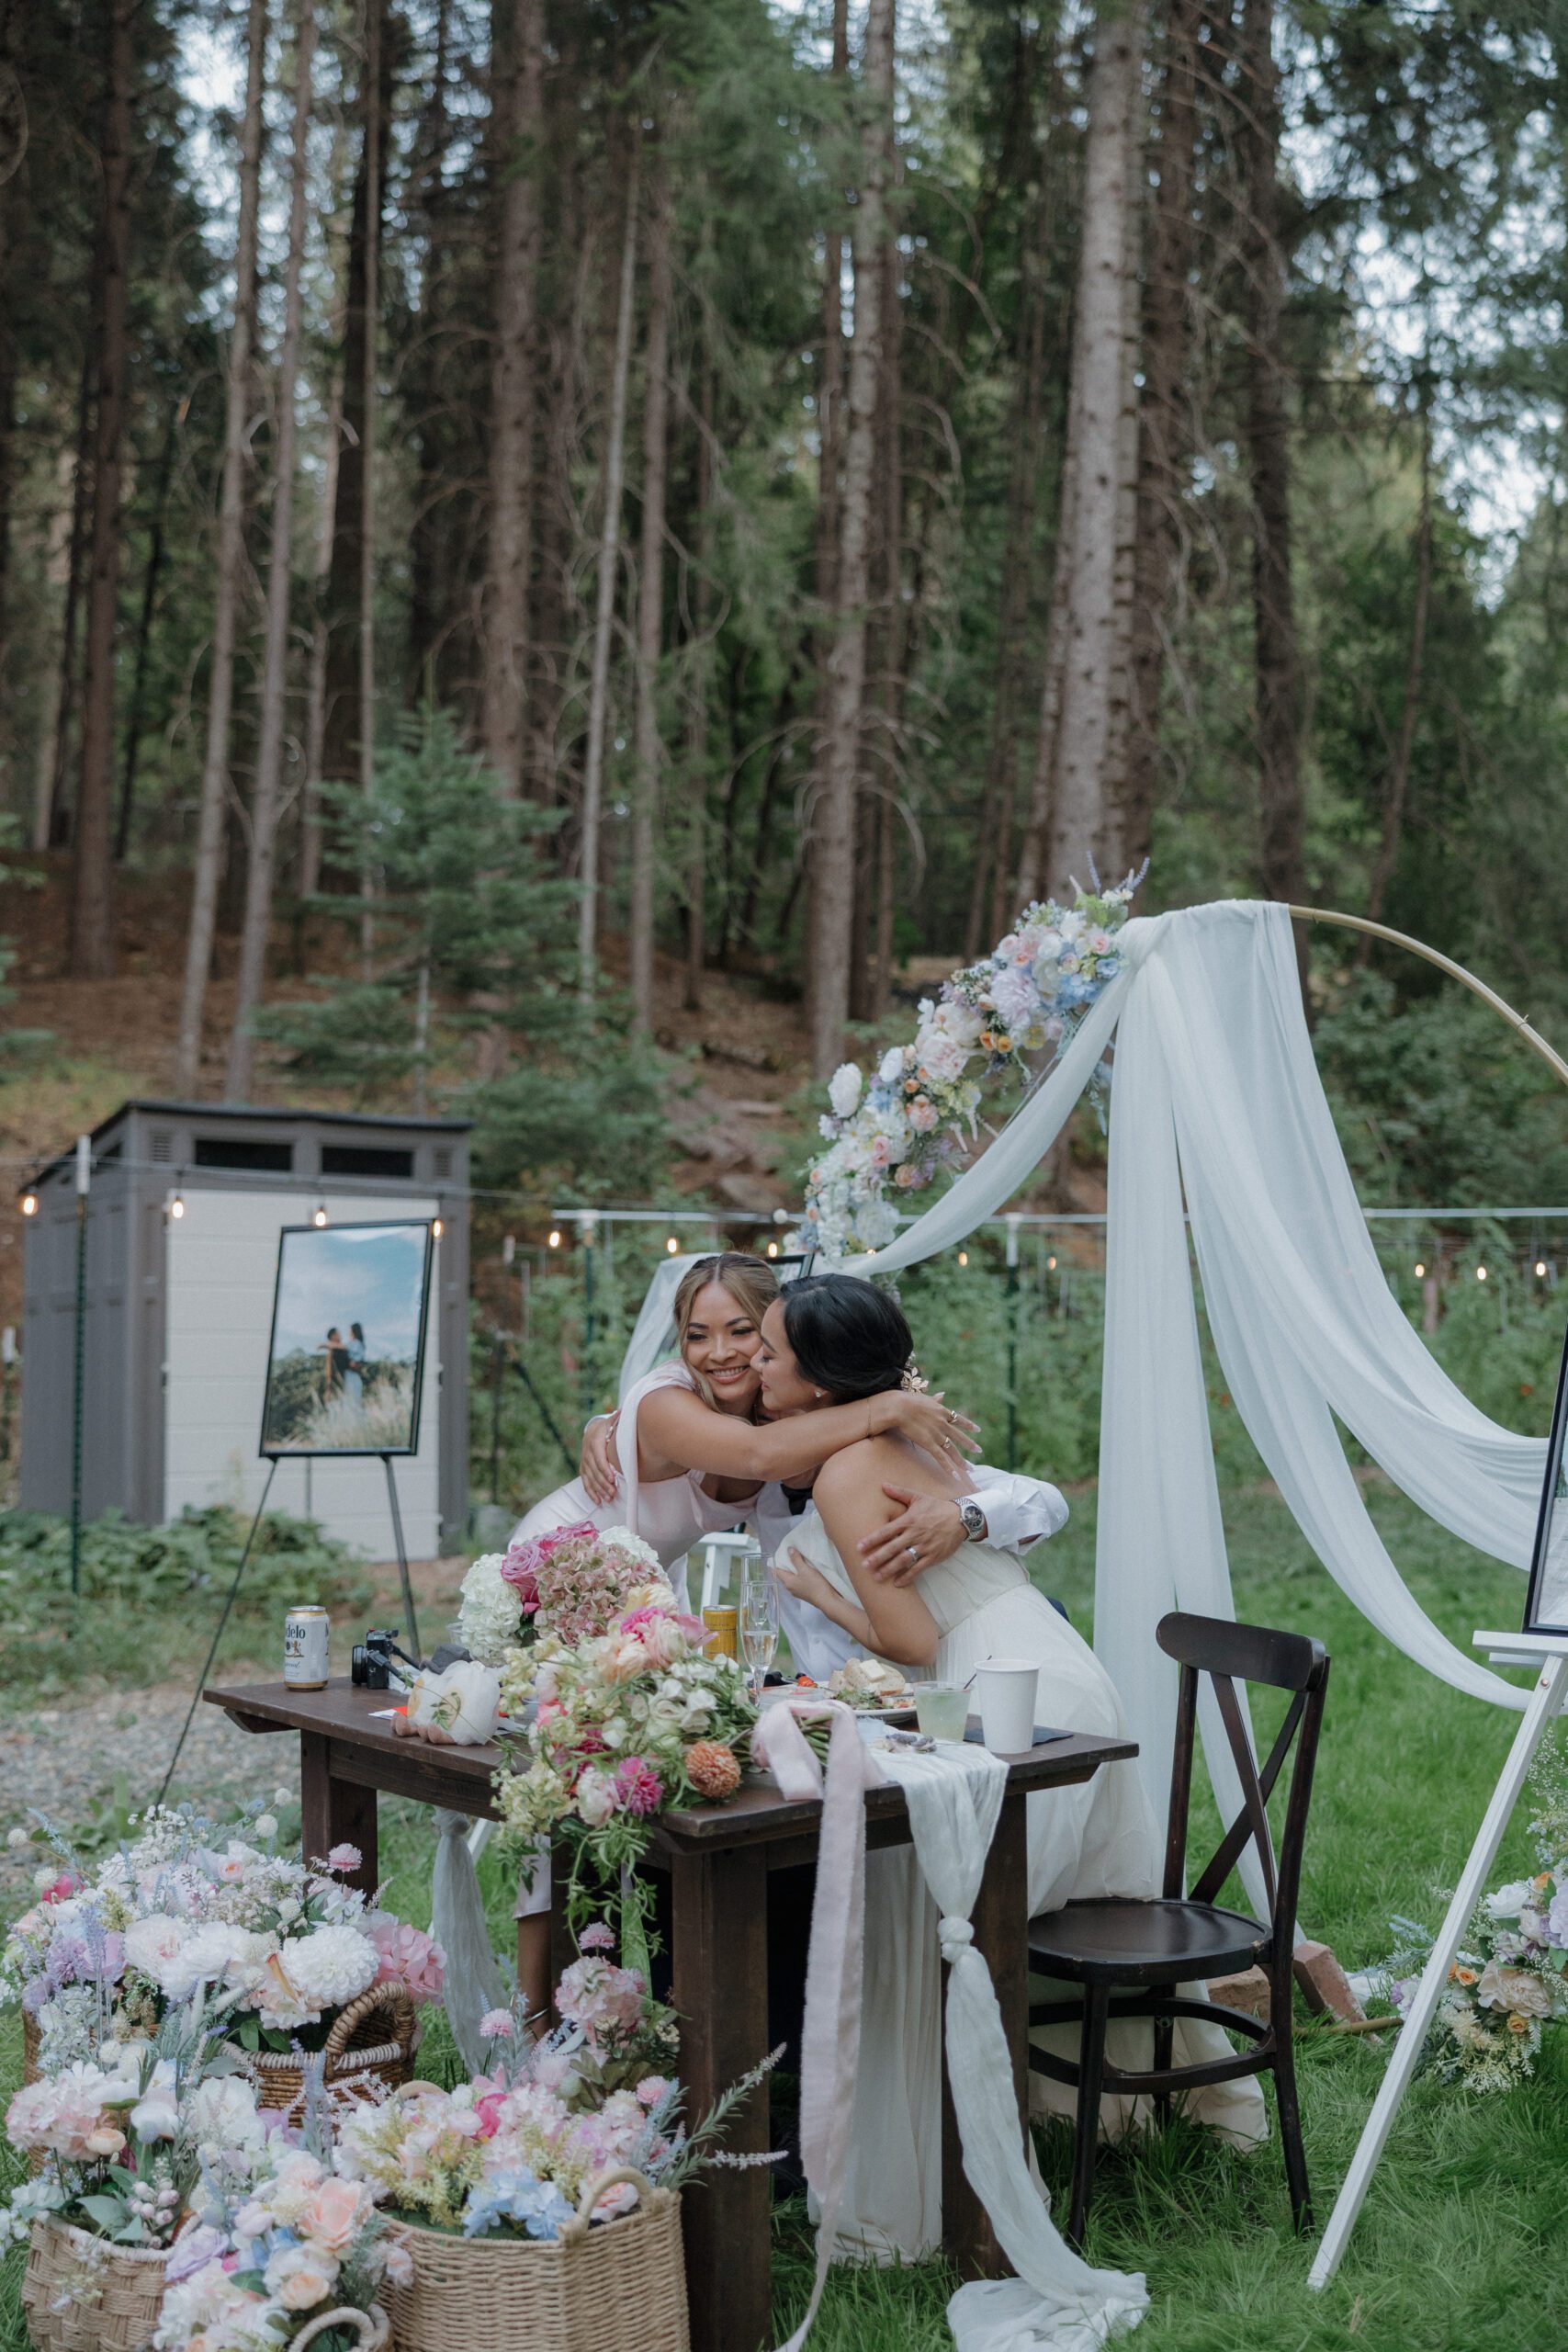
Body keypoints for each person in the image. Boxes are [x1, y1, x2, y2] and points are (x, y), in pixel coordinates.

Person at [758, 1272, 1267, 2260]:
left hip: (999, 1694)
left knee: (935, 1912)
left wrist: (814, 1583)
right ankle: (1105, 2115)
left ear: (820, 1381)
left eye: (774, 1352)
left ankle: (955, 2187)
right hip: (1059, 1678)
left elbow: (907, 1636)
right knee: (1047, 1905)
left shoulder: (845, 1469)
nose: (762, 1368)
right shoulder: (910, 1438)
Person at [345, 1322, 367, 1405]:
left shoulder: (355, 1343)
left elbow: (355, 1362)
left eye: (350, 1330)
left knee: (351, 1402)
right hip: (353, 1376)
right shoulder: (359, 1344)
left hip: (352, 1376)